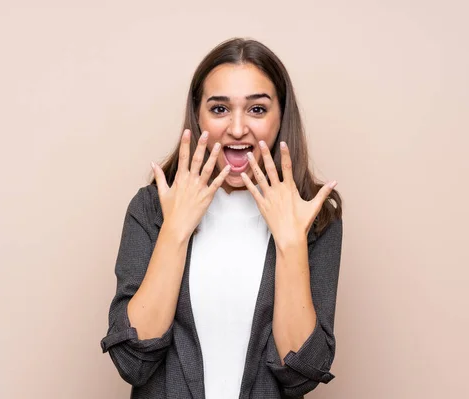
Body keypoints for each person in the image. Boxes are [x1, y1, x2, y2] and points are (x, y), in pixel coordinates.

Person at [100, 37, 343, 399]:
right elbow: (132, 362)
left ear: (281, 117)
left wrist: (291, 242)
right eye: (219, 109)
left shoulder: (315, 214)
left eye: (257, 109)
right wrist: (176, 229)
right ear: (198, 116)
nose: (238, 128)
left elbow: (301, 375)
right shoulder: (152, 207)